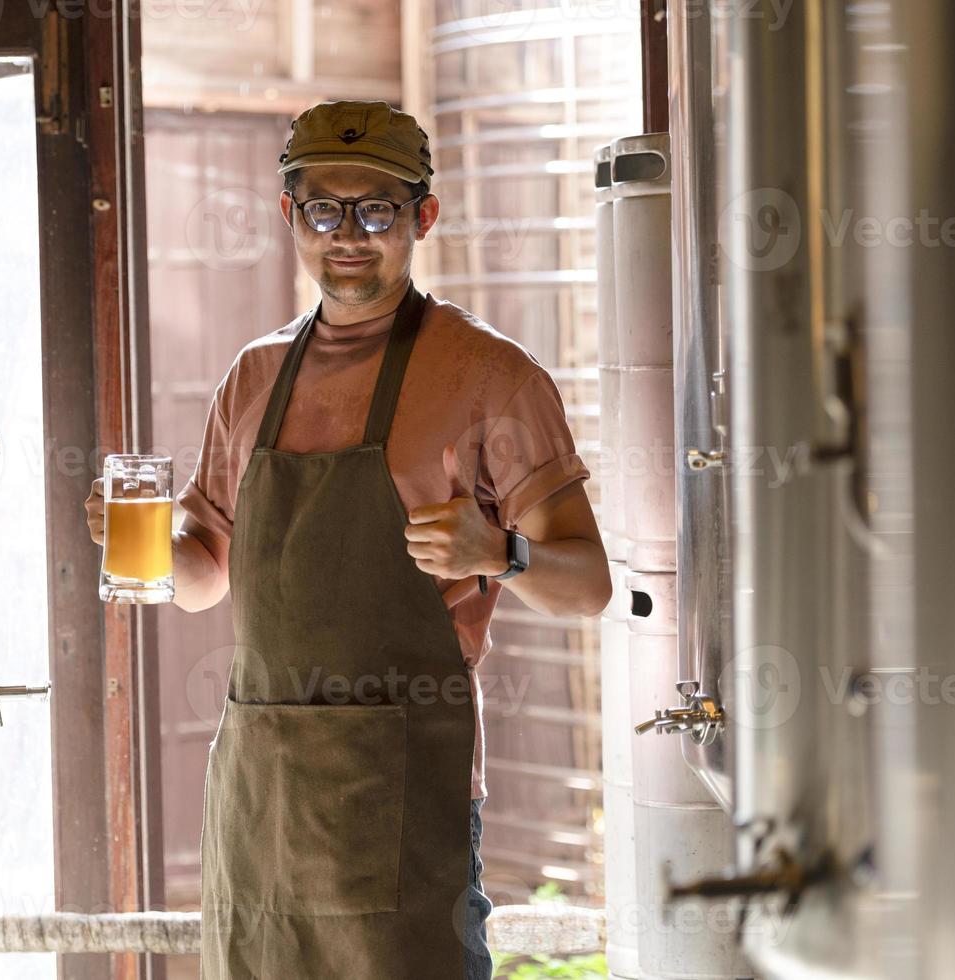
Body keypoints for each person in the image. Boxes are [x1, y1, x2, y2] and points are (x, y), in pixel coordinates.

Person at [86, 99, 611, 979]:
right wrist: (135, 544)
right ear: (290, 215)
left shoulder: (491, 376)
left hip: (401, 796)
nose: (349, 234)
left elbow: (588, 583)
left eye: (378, 210)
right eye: (324, 209)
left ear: (422, 217)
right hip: (263, 790)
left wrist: (501, 555)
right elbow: (204, 572)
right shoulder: (254, 375)